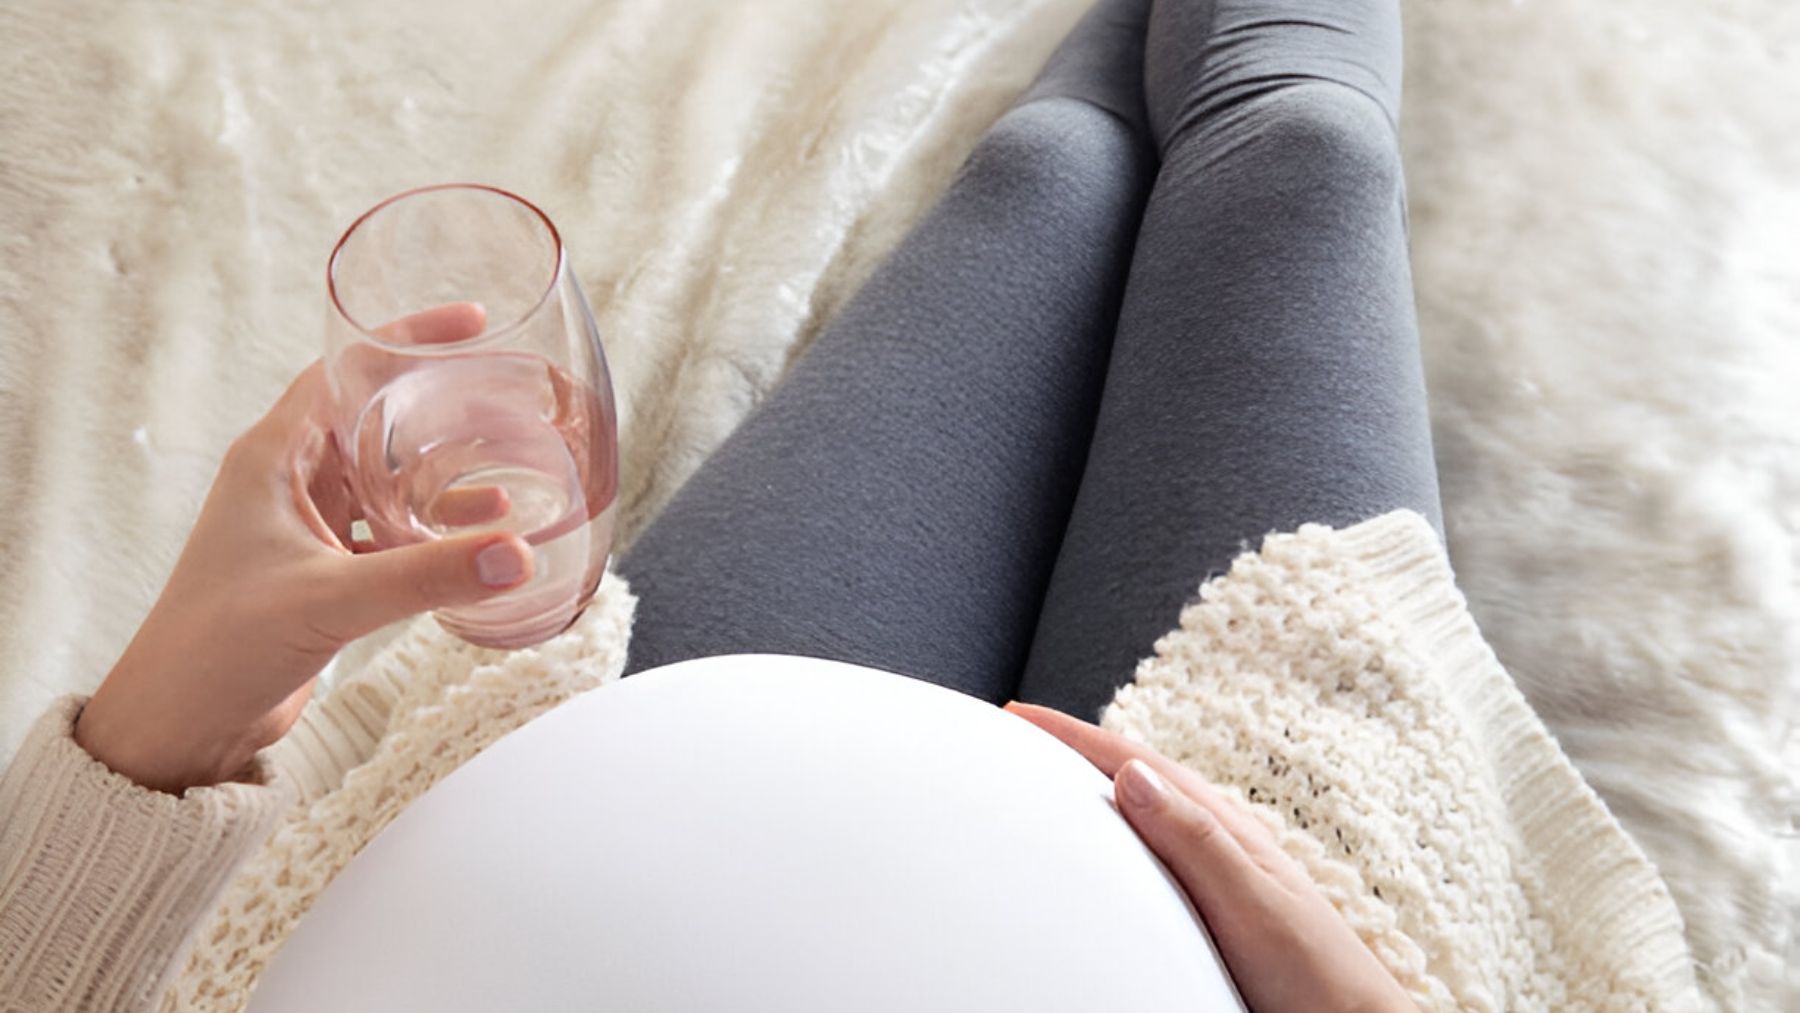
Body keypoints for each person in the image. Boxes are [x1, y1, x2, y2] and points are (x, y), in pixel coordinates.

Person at [0, 0, 1701, 1009]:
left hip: (658, 755)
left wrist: (166, 714)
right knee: (1300, 147)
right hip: (1269, 928)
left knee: (1060, 174)